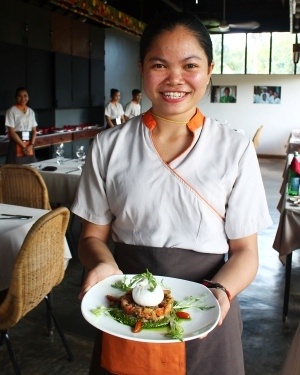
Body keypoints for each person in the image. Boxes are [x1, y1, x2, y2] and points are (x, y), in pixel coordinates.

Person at [71, 11, 272, 375]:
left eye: (190, 65)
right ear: (141, 68)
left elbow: (245, 253)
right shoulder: (108, 146)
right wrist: (103, 264)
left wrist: (221, 292)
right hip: (125, 302)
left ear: (210, 70)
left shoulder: (235, 150)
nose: (175, 79)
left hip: (207, 305)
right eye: (159, 65)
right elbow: (92, 237)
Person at [5, 87, 37, 164]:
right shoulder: (11, 111)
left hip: (29, 144)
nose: (23, 98)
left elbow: (34, 131)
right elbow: (11, 132)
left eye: (25, 95)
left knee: (31, 169)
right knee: (16, 170)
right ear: (16, 97)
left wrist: (31, 145)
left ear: (28, 97)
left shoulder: (31, 112)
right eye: (20, 96)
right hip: (16, 142)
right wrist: (24, 147)